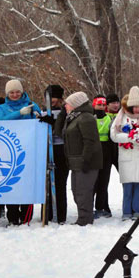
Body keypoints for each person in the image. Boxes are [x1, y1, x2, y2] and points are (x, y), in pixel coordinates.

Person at [0, 79, 44, 225]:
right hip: (10, 152)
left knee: (27, 182)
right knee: (12, 182)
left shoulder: (31, 104)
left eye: (17, 91)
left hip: (29, 150)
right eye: (12, 92)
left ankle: (26, 215)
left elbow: (40, 120)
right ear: (7, 93)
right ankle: (12, 216)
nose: (15, 94)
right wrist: (19, 113)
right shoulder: (2, 108)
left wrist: (38, 116)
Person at [111, 86, 139, 220]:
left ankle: (138, 211)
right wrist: (130, 137)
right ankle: (127, 211)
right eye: (134, 107)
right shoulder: (121, 117)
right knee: (128, 186)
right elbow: (114, 135)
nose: (137, 110)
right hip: (127, 155)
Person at [62, 92, 102, 226]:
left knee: (83, 192)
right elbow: (62, 134)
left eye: (67, 103)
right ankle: (83, 217)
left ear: (75, 104)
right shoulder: (74, 118)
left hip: (85, 162)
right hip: (76, 162)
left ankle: (85, 220)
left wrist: (86, 159)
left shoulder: (86, 118)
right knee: (77, 191)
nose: (65, 106)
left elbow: (90, 141)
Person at [42, 84, 69, 224]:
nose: (51, 100)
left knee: (60, 183)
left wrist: (53, 123)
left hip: (61, 150)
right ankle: (47, 213)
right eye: (49, 97)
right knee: (46, 183)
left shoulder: (65, 112)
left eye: (54, 97)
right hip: (46, 149)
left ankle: (61, 214)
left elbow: (66, 131)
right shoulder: (42, 111)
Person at [92, 95, 116, 218]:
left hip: (106, 152)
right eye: (99, 105)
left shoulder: (109, 119)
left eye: (103, 105)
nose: (101, 107)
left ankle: (101, 207)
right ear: (94, 105)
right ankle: (90, 207)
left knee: (103, 182)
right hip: (94, 151)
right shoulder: (91, 118)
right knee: (93, 182)